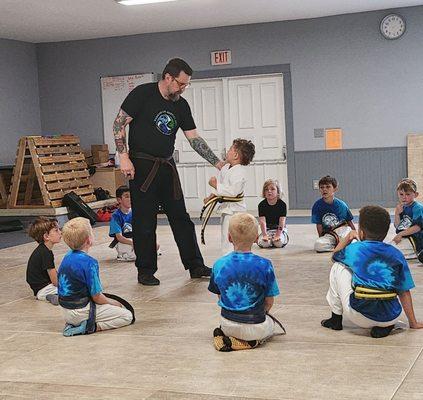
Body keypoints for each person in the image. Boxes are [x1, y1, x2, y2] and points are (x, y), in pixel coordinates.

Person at [113, 58, 224, 286]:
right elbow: (118, 123)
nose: (183, 89)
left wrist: (218, 163)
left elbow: (193, 138)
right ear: (168, 77)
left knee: (181, 218)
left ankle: (195, 265)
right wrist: (123, 157)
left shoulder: (180, 105)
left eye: (186, 85)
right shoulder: (142, 94)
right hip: (141, 166)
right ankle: (145, 270)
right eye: (181, 84)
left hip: (166, 166)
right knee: (144, 221)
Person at [321, 205, 423, 338]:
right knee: (392, 287)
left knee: (338, 266)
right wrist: (413, 322)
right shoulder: (396, 254)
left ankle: (335, 319)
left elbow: (334, 256)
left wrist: (348, 237)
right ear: (385, 233)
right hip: (391, 316)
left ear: (361, 232)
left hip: (360, 316)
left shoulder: (355, 249)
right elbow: (404, 291)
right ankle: (385, 326)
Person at [208, 213, 281, 351]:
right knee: (271, 325)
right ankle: (251, 343)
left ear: (229, 237)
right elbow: (269, 301)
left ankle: (227, 336)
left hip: (227, 323)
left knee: (227, 323)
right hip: (255, 325)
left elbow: (220, 295)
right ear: (256, 239)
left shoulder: (219, 264)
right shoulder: (265, 265)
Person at [58, 217, 133, 336]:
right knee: (127, 316)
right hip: (81, 311)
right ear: (89, 240)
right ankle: (91, 326)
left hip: (65, 311)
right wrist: (114, 303)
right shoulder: (90, 263)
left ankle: (77, 323)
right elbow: (97, 296)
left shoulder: (67, 257)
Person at [203, 138, 255, 255]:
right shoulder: (225, 168)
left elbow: (233, 192)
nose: (228, 150)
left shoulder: (240, 172)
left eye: (231, 149)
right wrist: (211, 197)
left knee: (235, 236)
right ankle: (228, 259)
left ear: (236, 155)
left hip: (236, 211)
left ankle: (235, 258)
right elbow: (221, 189)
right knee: (225, 236)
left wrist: (216, 185)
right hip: (226, 210)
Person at [109, 185, 161, 261]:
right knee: (137, 255)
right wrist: (132, 242)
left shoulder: (136, 212)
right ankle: (123, 255)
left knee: (155, 245)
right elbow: (119, 237)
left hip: (136, 239)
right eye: (126, 196)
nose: (130, 199)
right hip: (124, 241)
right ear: (119, 200)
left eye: (131, 196)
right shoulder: (116, 216)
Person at [311, 175, 355, 252]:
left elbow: (349, 222)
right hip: (330, 234)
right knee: (318, 246)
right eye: (322, 187)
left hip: (343, 231)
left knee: (352, 240)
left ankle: (342, 245)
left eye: (328, 187)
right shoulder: (317, 205)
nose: (324, 189)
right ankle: (339, 247)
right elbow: (319, 224)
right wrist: (321, 238)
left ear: (335, 189)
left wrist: (355, 234)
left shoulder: (341, 205)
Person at [26, 217, 61, 305]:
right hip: (45, 289)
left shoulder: (42, 250)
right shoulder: (46, 253)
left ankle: (51, 296)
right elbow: (55, 280)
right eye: (56, 230)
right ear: (46, 236)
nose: (60, 232)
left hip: (40, 290)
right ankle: (54, 296)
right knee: (74, 289)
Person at [391, 178, 423, 262]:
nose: (404, 197)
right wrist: (397, 214)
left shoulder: (417, 208)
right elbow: (398, 227)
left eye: (408, 194)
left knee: (395, 251)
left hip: (418, 237)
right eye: (401, 194)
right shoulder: (401, 207)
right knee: (392, 247)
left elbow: (417, 227)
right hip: (407, 236)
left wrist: (401, 234)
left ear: (415, 194)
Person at [257, 179, 288, 249]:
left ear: (278, 192)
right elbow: (262, 222)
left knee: (278, 244)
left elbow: (282, 221)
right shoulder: (261, 205)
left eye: (272, 189)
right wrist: (265, 235)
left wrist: (278, 235)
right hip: (267, 229)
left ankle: (274, 240)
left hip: (279, 228)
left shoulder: (282, 205)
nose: (269, 191)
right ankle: (269, 240)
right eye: (266, 189)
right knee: (265, 244)